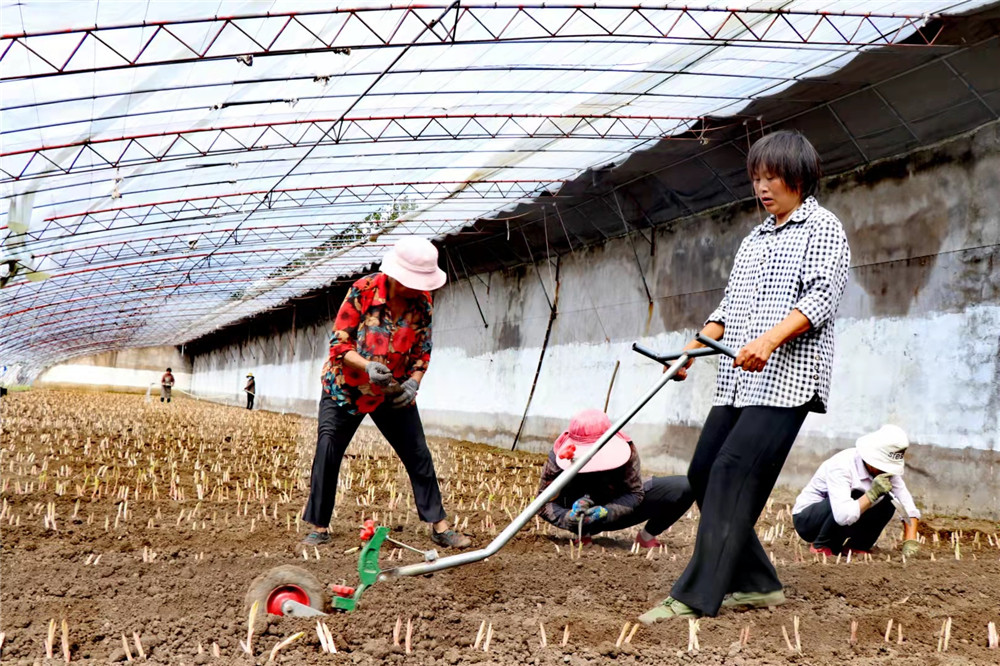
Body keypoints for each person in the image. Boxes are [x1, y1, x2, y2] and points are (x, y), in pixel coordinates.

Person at [640, 130, 851, 624]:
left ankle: (697, 594)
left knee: (732, 471)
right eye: (757, 177)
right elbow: (729, 307)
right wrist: (691, 349)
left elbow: (822, 297)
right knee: (703, 474)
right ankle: (758, 583)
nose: (762, 187)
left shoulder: (823, 228)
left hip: (788, 381)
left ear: (798, 177)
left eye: (772, 177)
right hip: (740, 380)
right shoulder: (755, 239)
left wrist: (770, 340)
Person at [301, 236, 471, 550]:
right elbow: (339, 345)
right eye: (411, 282)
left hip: (392, 391)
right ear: (395, 276)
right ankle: (319, 525)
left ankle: (440, 526)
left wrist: (414, 381)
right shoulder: (363, 291)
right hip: (346, 389)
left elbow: (423, 350)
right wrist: (366, 366)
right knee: (328, 449)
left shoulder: (423, 302)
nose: (417, 288)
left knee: (418, 453)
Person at [537, 409, 694, 548]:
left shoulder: (627, 448)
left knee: (685, 486)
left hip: (617, 504)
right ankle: (583, 534)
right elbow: (543, 503)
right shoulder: (560, 454)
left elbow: (635, 493)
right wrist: (568, 518)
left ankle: (646, 537)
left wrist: (608, 511)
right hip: (578, 509)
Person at [792, 424, 920, 558]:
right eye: (882, 466)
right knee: (856, 494)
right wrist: (871, 495)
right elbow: (842, 515)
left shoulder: (887, 473)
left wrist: (910, 540)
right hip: (808, 521)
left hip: (843, 519)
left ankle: (858, 546)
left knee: (889, 500)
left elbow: (906, 505)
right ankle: (823, 544)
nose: (886, 471)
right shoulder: (842, 465)